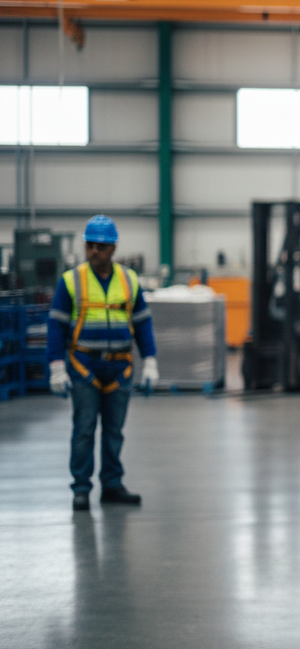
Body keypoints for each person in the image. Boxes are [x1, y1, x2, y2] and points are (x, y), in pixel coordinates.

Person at [47, 215, 158, 512]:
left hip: (119, 367)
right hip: (84, 366)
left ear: (113, 249)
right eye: (90, 245)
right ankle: (81, 488)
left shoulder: (128, 280)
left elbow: (142, 323)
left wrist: (150, 361)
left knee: (114, 431)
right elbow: (56, 325)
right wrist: (56, 366)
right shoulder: (71, 281)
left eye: (101, 246)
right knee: (84, 429)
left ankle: (112, 484)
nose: (94, 251)